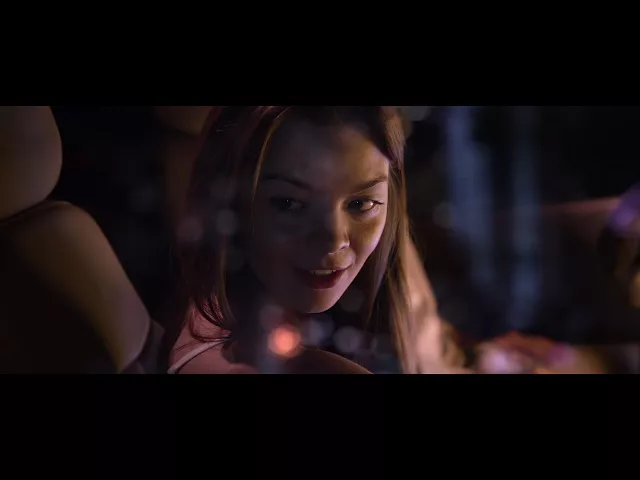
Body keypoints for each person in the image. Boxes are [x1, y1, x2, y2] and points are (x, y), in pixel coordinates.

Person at [157, 106, 466, 374]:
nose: (333, 241)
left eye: (360, 204)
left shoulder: (392, 277)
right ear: (229, 204)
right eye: (289, 204)